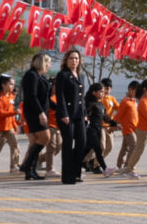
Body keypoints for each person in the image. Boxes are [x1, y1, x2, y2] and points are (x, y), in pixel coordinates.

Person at [53, 49, 86, 185]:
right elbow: (60, 96)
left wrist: (84, 114)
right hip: (67, 115)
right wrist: (64, 114)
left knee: (82, 143)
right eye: (72, 58)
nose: (74, 61)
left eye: (77, 59)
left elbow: (81, 97)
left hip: (79, 114)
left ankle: (76, 172)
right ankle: (67, 176)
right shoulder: (62, 75)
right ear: (66, 60)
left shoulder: (80, 76)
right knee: (67, 144)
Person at [20, 52, 54, 181]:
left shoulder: (40, 76)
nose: (49, 65)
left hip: (40, 111)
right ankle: (28, 166)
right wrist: (40, 113)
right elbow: (31, 96)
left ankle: (30, 170)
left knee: (35, 141)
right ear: (42, 62)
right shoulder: (31, 75)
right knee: (45, 137)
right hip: (34, 112)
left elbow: (46, 98)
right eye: (48, 62)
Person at [84, 84, 114, 176]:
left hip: (98, 130)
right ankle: (105, 169)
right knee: (98, 149)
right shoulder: (89, 104)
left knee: (85, 151)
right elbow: (84, 114)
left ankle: (76, 165)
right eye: (100, 91)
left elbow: (105, 117)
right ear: (94, 93)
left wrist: (115, 123)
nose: (103, 93)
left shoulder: (100, 104)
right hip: (91, 130)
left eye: (103, 91)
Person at [114, 82, 140, 170]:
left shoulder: (134, 101)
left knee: (124, 148)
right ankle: (128, 165)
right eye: (136, 91)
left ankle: (119, 164)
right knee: (134, 145)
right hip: (128, 129)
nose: (138, 93)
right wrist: (114, 124)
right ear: (130, 90)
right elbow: (119, 115)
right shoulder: (125, 101)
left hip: (134, 128)